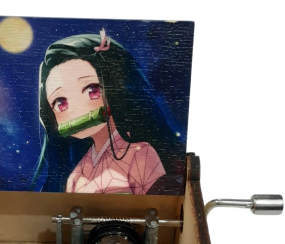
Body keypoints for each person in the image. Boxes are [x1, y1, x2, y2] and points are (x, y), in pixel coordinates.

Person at [31, 29, 185, 195]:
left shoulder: (141, 154)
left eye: (92, 90)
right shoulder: (75, 175)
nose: (75, 109)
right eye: (60, 103)